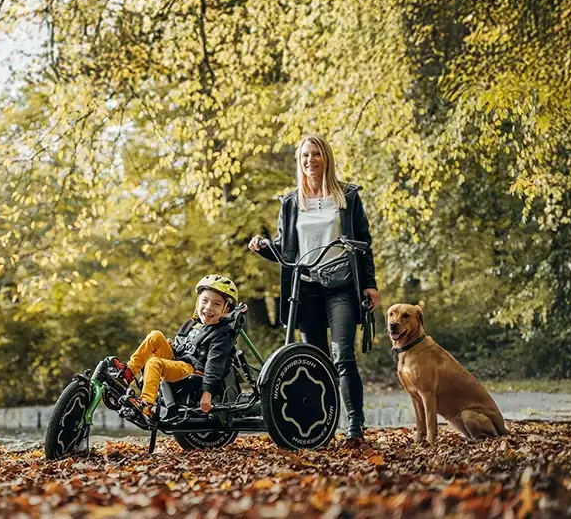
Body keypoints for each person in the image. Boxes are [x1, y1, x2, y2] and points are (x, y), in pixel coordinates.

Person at [248, 134, 379, 445]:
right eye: (305, 155)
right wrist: (263, 247)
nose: (310, 160)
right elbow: (286, 250)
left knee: (343, 355)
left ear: (326, 158)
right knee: (316, 362)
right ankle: (323, 428)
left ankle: (355, 428)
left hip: (341, 287)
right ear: (300, 161)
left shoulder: (347, 196)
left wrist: (370, 284)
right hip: (305, 289)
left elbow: (364, 242)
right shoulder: (292, 203)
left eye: (316, 154)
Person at [116, 275, 242, 427]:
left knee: (154, 363)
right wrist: (172, 347)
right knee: (155, 335)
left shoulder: (222, 334)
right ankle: (128, 373)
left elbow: (215, 365)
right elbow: (181, 346)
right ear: (197, 302)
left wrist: (207, 393)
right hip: (178, 361)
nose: (208, 307)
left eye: (216, 304)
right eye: (205, 301)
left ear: (225, 310)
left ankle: (146, 405)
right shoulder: (192, 325)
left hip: (192, 370)